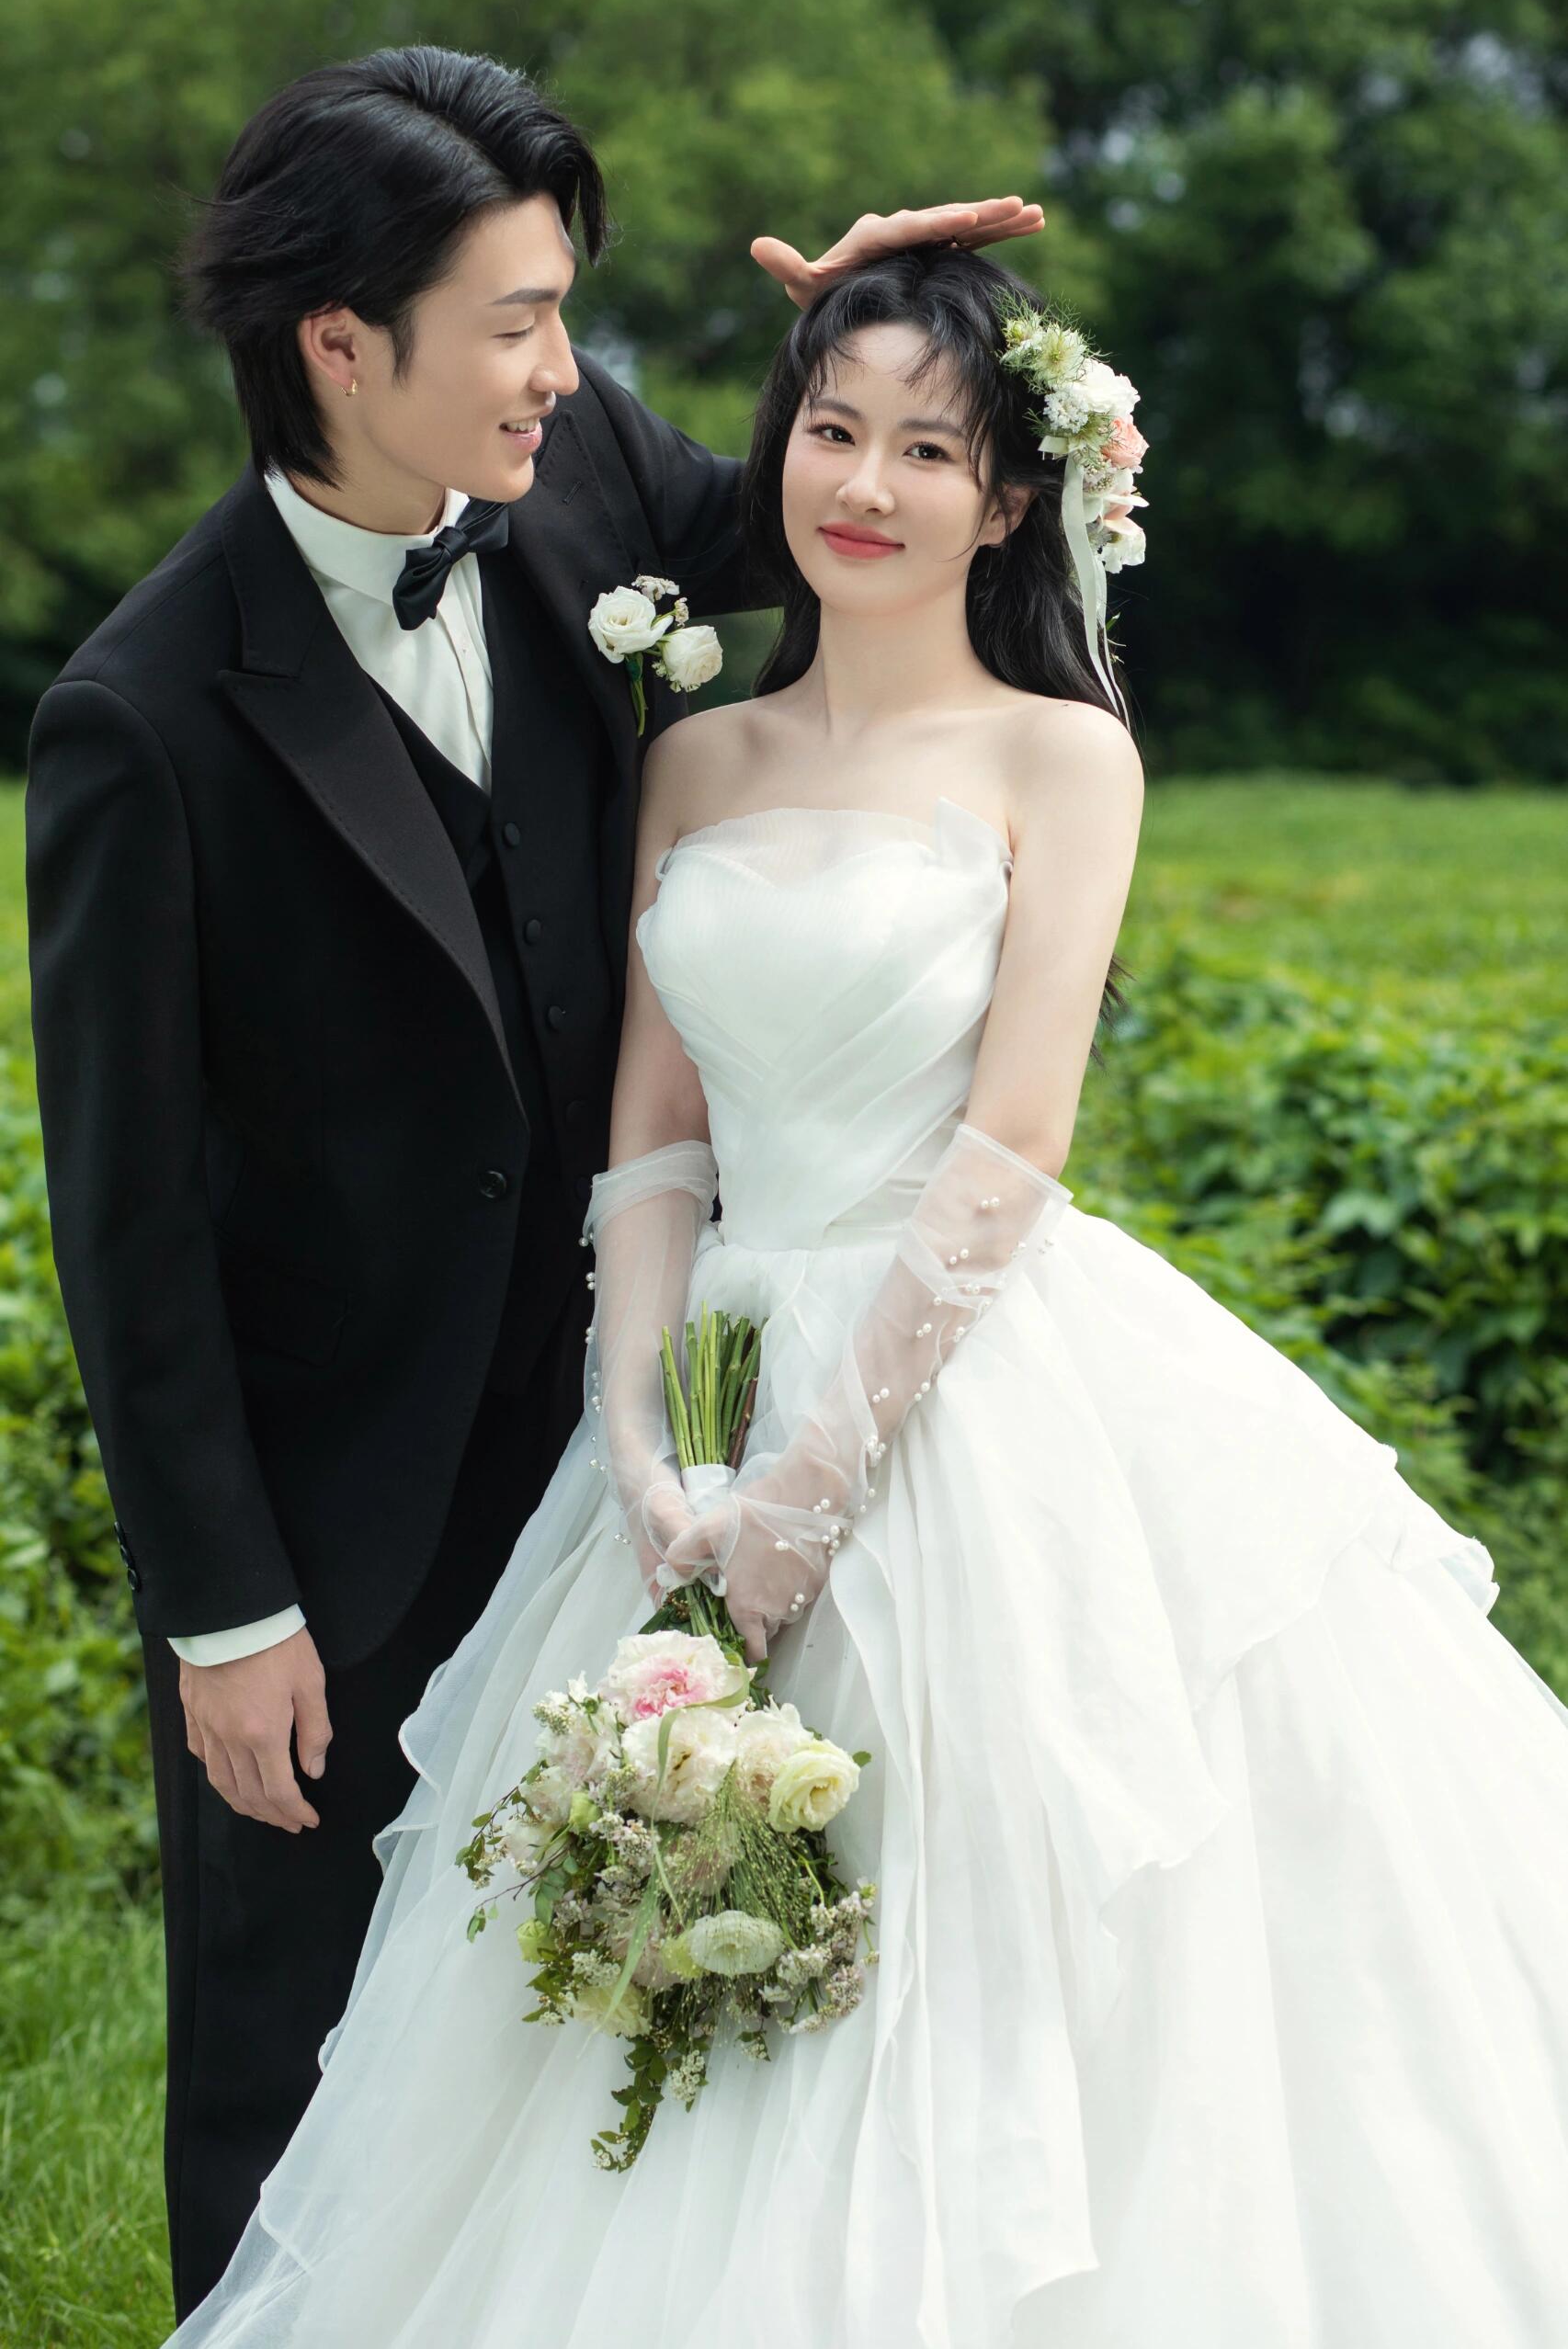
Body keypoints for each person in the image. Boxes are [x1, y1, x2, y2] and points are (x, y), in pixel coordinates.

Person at [153, 238, 1568, 2346]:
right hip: (711, 1378)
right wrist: (651, 1449)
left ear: (1010, 501)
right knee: (639, 1936)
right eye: (833, 430)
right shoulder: (698, 757)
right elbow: (655, 1136)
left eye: (929, 449)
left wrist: (814, 1484)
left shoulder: (1061, 756)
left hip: (972, 1375)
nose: (866, 485)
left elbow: (1013, 1141)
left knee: (991, 1912)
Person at [22, 41, 1047, 2325]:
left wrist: (869, 337)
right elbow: (129, 1220)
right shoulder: (143, 718)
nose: (563, 369)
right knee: (301, 2039)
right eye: (513, 320)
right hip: (348, 1497)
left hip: (649, 1413)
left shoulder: (572, 471)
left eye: (562, 311)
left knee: (619, 2008)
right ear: (338, 342)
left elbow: (851, 509)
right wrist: (224, 1612)